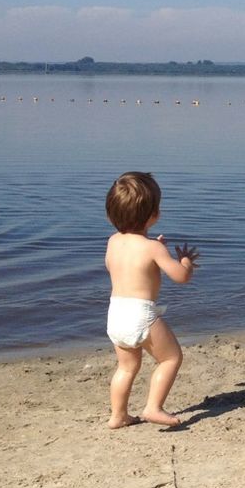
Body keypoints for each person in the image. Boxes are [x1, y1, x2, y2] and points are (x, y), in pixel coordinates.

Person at [104, 171, 199, 429]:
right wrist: (186, 263)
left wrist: (149, 249)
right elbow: (180, 277)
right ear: (153, 215)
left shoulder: (113, 242)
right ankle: (153, 407)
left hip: (116, 315)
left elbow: (118, 265)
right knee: (170, 359)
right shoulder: (154, 248)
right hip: (140, 315)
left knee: (126, 367)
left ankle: (118, 415)